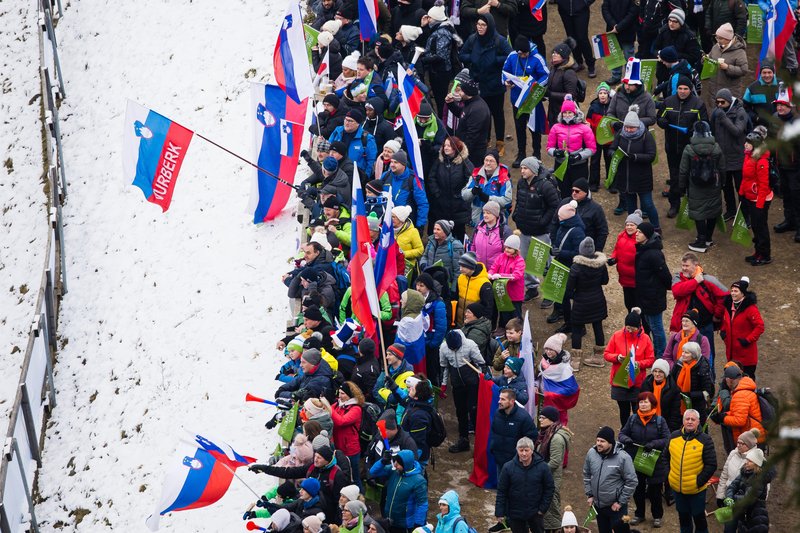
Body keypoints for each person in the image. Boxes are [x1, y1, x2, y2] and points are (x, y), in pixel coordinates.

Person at [459, 13, 513, 155]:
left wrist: (496, 59)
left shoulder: (499, 40)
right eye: (478, 24)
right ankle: (486, 139)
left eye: (483, 25)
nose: (480, 27)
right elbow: (462, 54)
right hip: (479, 84)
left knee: (498, 114)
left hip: (495, 84)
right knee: (484, 113)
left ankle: (500, 142)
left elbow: (511, 56)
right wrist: (472, 57)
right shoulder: (472, 39)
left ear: (489, 26)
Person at [657, 76, 709, 218]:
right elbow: (659, 117)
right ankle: (674, 205)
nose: (682, 91)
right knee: (674, 177)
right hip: (672, 147)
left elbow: (704, 123)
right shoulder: (668, 101)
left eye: (685, 89)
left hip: (691, 149)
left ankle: (691, 206)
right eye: (680, 88)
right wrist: (663, 122)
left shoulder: (698, 104)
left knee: (691, 177)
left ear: (690, 89)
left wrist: (694, 130)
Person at [618, 391, 670, 528]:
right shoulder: (633, 419)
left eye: (646, 402)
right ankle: (639, 514)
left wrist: (653, 444)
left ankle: (657, 516)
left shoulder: (660, 421)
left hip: (654, 462)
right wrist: (627, 440)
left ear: (652, 404)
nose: (643, 404)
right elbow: (622, 434)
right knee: (638, 489)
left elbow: (667, 439)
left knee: (655, 491)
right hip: (636, 460)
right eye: (641, 402)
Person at [512, 157, 560, 300]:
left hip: (541, 232)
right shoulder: (521, 183)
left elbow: (554, 205)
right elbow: (519, 201)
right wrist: (516, 215)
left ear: (533, 170)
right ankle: (532, 288)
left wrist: (543, 221)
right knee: (524, 262)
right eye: (521, 168)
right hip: (524, 230)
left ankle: (550, 294)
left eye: (525, 168)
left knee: (546, 264)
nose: (522, 171)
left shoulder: (545, 186)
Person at [663, 409, 717, 533]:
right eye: (687, 419)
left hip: (696, 490)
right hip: (678, 489)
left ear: (698, 422)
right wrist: (669, 475)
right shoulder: (673, 436)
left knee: (700, 521)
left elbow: (711, 464)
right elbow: (664, 457)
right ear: (683, 421)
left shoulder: (705, 440)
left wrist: (698, 482)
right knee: (684, 519)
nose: (690, 422)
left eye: (693, 419)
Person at [609, 104, 659, 230]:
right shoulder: (620, 133)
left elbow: (651, 156)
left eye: (632, 128)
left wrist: (635, 157)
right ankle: (632, 229)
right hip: (625, 177)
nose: (629, 130)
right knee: (631, 205)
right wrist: (613, 154)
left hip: (642, 177)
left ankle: (656, 228)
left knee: (648, 204)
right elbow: (612, 148)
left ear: (637, 126)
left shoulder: (646, 136)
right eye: (627, 127)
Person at [604, 307, 656, 426]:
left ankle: (637, 432)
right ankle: (625, 432)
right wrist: (617, 357)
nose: (630, 331)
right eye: (628, 328)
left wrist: (638, 364)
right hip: (620, 381)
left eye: (633, 328)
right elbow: (606, 354)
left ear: (639, 327)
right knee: (624, 411)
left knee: (638, 411)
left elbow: (651, 360)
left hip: (637, 382)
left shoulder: (646, 339)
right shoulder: (617, 336)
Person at [582, 426, 638, 533]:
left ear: (610, 443)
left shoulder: (623, 458)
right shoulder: (591, 453)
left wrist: (620, 502)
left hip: (616, 508)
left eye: (602, 441)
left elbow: (632, 481)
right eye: (597, 440)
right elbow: (587, 474)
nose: (598, 443)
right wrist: (590, 494)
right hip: (598, 506)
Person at [504, 37, 549, 166]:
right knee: (519, 126)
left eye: (526, 53)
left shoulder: (537, 58)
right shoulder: (512, 56)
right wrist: (506, 81)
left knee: (534, 127)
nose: (524, 55)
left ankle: (537, 153)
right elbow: (505, 71)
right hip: (517, 99)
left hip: (532, 98)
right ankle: (521, 153)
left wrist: (535, 86)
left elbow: (546, 75)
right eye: (521, 53)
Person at [494, 437, 555, 533]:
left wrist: (542, 509)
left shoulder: (543, 467)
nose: (524, 453)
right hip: (515, 512)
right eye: (521, 450)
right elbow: (502, 491)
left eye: (526, 450)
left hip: (536, 512)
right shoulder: (508, 467)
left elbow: (549, 488)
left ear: (532, 450)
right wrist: (499, 512)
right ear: (517, 450)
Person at [439, 329, 485, 453]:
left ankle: (480, 442)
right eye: (451, 349)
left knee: (474, 409)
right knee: (460, 412)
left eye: (456, 348)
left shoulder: (470, 345)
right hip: (457, 384)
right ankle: (463, 440)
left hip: (472, 383)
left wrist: (484, 378)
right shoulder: (443, 348)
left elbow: (481, 363)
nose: (454, 351)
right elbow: (445, 367)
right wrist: (443, 384)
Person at [564, 236, 608, 365]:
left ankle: (575, 361)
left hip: (581, 302)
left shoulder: (576, 267)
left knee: (577, 329)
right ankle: (599, 358)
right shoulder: (601, 265)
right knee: (598, 327)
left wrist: (574, 296)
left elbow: (569, 289)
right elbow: (605, 281)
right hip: (598, 299)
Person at [709, 89, 748, 222]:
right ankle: (731, 210)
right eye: (717, 102)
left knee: (741, 188)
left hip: (737, 158)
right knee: (726, 188)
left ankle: (744, 215)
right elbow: (712, 132)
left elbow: (737, 131)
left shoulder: (740, 112)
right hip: (722, 158)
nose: (719, 105)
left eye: (722, 102)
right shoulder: (717, 112)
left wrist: (723, 118)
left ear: (729, 101)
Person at [546, 95, 597, 198]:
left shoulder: (584, 128)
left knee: (580, 193)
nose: (567, 115)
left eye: (570, 112)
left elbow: (592, 148)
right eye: (565, 112)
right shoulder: (556, 128)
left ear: (575, 113)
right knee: (564, 192)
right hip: (561, 165)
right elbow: (549, 147)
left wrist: (579, 156)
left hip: (579, 166)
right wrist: (555, 152)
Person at [545, 200, 586, 327]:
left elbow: (578, 253)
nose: (558, 218)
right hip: (560, 264)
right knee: (557, 291)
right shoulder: (564, 225)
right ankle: (559, 310)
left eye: (560, 216)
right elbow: (558, 241)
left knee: (565, 295)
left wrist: (560, 253)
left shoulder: (577, 232)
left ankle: (569, 320)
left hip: (569, 267)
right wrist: (554, 249)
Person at [634, 222, 671, 359]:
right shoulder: (643, 249)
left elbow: (666, 276)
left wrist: (660, 288)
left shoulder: (653, 254)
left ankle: (661, 355)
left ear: (647, 236)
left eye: (640, 232)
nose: (636, 234)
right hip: (646, 295)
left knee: (656, 328)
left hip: (653, 296)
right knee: (650, 324)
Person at [368, 449, 428, 533]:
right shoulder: (394, 471)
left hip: (405, 525)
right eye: (395, 461)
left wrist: (418, 524)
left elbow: (422, 504)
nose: (395, 465)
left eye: (398, 463)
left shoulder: (419, 481)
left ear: (406, 465)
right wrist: (383, 461)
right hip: (389, 520)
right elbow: (373, 472)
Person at [709, 364, 766, 453]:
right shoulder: (744, 388)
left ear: (729, 380)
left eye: (725, 379)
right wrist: (724, 415)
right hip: (753, 435)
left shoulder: (740, 395)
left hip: (750, 440)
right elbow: (738, 412)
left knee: (751, 465)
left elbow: (740, 420)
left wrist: (722, 418)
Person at [427, 136, 474, 242]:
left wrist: (461, 195)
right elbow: (432, 178)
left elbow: (470, 180)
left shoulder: (465, 163)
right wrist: (437, 193)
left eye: (449, 145)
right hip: (441, 206)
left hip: (459, 207)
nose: (446, 148)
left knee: (459, 235)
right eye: (445, 145)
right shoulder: (439, 161)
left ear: (455, 147)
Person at [417, 5, 460, 116]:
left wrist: (423, 60)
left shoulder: (443, 33)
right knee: (438, 98)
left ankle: (442, 119)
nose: (428, 19)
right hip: (436, 71)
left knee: (441, 100)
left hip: (441, 73)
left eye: (430, 17)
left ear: (436, 19)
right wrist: (424, 27)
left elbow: (440, 56)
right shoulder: (436, 29)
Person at [535, 406, 573, 531]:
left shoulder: (556, 438)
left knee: (551, 508)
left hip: (550, 479)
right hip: (545, 477)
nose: (540, 419)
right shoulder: (546, 433)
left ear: (551, 420)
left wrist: (538, 471)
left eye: (543, 417)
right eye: (540, 417)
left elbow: (555, 462)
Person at [719, 276, 764, 379]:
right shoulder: (728, 306)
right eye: (732, 290)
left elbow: (760, 326)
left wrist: (748, 340)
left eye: (736, 291)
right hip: (731, 354)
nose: (733, 293)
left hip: (746, 356)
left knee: (746, 381)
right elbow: (725, 321)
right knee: (731, 381)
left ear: (743, 293)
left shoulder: (750, 309)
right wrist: (723, 331)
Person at [740, 127, 773, 265]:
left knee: (760, 227)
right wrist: (742, 192)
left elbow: (763, 185)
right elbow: (746, 178)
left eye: (748, 143)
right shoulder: (749, 156)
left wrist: (759, 204)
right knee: (755, 226)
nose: (745, 144)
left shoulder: (761, 161)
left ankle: (765, 255)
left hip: (760, 199)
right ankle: (758, 251)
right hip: (751, 197)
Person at [771, 88, 800, 242]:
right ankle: (789, 221)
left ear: (791, 106)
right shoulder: (776, 118)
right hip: (781, 164)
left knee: (797, 196)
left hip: (795, 166)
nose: (780, 108)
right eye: (778, 105)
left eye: (783, 105)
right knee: (786, 194)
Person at [490, 388, 538, 481]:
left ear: (512, 401)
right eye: (500, 398)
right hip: (499, 459)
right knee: (501, 487)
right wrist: (493, 447)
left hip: (515, 463)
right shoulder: (497, 413)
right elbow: (494, 432)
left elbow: (532, 437)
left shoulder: (523, 417)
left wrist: (521, 456)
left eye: (503, 399)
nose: (499, 401)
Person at [447, 78, 492, 168]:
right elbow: (462, 115)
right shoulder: (469, 103)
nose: (459, 93)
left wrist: (462, 153)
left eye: (461, 91)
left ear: (468, 93)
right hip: (465, 147)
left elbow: (472, 136)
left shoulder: (478, 110)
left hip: (473, 153)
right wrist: (450, 103)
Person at [378, 150, 429, 230]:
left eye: (396, 162)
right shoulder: (386, 176)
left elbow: (422, 204)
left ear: (403, 164)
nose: (392, 165)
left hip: (405, 224)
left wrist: (420, 225)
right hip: (386, 222)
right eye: (391, 162)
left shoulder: (413, 180)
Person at [704, 24, 748, 116]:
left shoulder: (739, 52)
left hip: (730, 91)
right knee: (714, 116)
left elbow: (743, 70)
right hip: (714, 90)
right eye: (717, 38)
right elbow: (710, 60)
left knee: (729, 117)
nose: (718, 40)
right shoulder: (716, 47)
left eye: (720, 38)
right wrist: (705, 59)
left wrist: (727, 67)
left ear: (728, 39)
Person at [725, 447, 772, 532]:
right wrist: (729, 497)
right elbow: (732, 486)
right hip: (743, 513)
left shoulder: (759, 480)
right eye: (747, 459)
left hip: (755, 517)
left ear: (756, 464)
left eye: (750, 461)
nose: (746, 462)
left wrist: (732, 499)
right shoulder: (745, 472)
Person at [462, 151, 513, 227]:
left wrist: (488, 198)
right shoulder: (476, 175)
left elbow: (507, 201)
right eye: (486, 160)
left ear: (497, 163)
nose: (488, 163)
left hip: (496, 221)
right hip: (478, 220)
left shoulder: (504, 178)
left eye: (491, 161)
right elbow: (464, 196)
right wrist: (472, 191)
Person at [328, 108, 379, 181]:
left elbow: (371, 161)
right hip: (335, 174)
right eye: (346, 119)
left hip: (355, 178)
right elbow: (329, 148)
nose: (346, 123)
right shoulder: (337, 131)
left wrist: (365, 177)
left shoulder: (367, 138)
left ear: (358, 123)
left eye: (350, 121)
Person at [670, 341, 715, 425]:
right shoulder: (679, 364)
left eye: (686, 353)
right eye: (683, 351)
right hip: (679, 404)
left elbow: (707, 392)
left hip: (697, 406)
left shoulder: (702, 368)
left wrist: (688, 395)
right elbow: (671, 380)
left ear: (693, 355)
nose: (683, 354)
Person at [416, 273, 448, 385]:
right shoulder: (415, 300)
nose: (418, 288)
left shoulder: (438, 303)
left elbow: (441, 327)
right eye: (417, 285)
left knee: (432, 368)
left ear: (428, 287)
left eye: (422, 286)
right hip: (419, 341)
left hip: (431, 343)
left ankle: (435, 388)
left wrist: (433, 343)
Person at [652, 9, 703, 79]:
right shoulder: (664, 30)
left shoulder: (689, 36)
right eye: (670, 20)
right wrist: (659, 54)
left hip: (680, 72)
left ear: (681, 22)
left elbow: (694, 56)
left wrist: (672, 57)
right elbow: (655, 48)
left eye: (675, 21)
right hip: (663, 70)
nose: (671, 24)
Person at [716, 428, 761, 507]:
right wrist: (720, 496)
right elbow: (724, 475)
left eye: (742, 443)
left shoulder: (757, 459)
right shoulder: (733, 453)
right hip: (729, 497)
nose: (738, 445)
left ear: (749, 445)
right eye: (738, 442)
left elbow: (763, 486)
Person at [332, 382, 364, 489]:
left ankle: (360, 499)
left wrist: (329, 409)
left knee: (354, 478)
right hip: (339, 447)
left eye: (343, 394)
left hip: (350, 450)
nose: (340, 396)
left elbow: (341, 421)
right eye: (339, 393)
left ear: (351, 395)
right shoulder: (338, 405)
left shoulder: (356, 409)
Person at [488, 234, 526, 324]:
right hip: (503, 292)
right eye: (506, 247)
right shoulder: (501, 257)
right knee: (504, 312)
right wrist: (490, 273)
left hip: (515, 294)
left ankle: (518, 330)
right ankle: (504, 328)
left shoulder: (520, 260)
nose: (506, 250)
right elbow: (494, 267)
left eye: (510, 248)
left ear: (516, 249)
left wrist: (500, 275)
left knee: (515, 314)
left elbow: (516, 275)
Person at [608, 210, 641, 313]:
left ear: (637, 227)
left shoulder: (640, 240)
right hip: (624, 278)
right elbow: (616, 250)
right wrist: (614, 258)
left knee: (638, 305)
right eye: (627, 225)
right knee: (628, 303)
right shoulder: (621, 235)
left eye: (632, 225)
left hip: (636, 280)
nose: (629, 227)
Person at [419, 220, 465, 293]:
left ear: (445, 231)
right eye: (434, 229)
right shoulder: (431, 242)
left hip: (445, 285)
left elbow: (458, 270)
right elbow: (424, 256)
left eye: (438, 229)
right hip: (430, 281)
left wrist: (453, 289)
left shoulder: (455, 245)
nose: (435, 231)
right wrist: (423, 264)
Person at [600, 0, 637, 84]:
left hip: (627, 31)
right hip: (612, 30)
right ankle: (616, 76)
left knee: (629, 56)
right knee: (614, 54)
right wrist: (613, 24)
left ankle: (631, 78)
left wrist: (619, 27)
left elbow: (632, 13)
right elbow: (605, 9)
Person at [546, 39, 579, 133]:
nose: (553, 55)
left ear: (564, 56)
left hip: (565, 114)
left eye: (557, 53)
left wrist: (550, 94)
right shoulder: (554, 68)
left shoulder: (569, 73)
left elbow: (571, 96)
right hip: (553, 111)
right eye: (553, 52)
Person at [641, 359, 683, 432]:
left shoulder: (673, 388)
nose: (657, 374)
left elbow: (675, 413)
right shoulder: (646, 384)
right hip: (647, 421)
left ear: (665, 373)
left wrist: (670, 430)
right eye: (655, 371)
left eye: (660, 372)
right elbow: (639, 404)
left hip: (665, 424)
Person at [555, 0, 595, 77]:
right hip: (565, 10)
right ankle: (578, 61)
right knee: (571, 38)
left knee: (582, 38)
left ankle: (590, 64)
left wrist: (585, 3)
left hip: (581, 11)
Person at [470, 200, 513, 271]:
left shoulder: (505, 230)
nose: (485, 215)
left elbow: (509, 253)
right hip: (479, 270)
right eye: (484, 213)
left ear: (495, 215)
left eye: (488, 213)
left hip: (497, 272)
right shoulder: (478, 227)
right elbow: (473, 246)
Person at [454, 253, 493, 329]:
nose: (460, 269)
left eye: (463, 266)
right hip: (459, 323)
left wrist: (485, 327)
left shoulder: (485, 284)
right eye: (460, 266)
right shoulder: (460, 278)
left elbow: (488, 308)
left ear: (471, 266)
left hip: (475, 326)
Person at [586, 83, 614, 190]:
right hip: (596, 138)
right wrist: (590, 125)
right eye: (600, 93)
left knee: (610, 161)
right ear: (598, 95)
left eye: (605, 93)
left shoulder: (613, 105)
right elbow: (588, 120)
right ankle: (593, 183)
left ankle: (611, 183)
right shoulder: (593, 106)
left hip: (609, 139)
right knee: (594, 161)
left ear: (608, 94)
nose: (602, 95)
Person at [742, 61, 782, 127]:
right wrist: (756, 118)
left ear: (773, 73)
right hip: (759, 125)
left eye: (769, 72)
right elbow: (745, 108)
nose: (767, 75)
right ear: (760, 73)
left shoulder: (781, 85)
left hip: (779, 125)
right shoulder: (752, 88)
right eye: (764, 73)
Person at [392, 205, 424, 278]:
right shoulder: (388, 231)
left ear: (401, 219)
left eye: (394, 217)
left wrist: (403, 254)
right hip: (391, 266)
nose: (391, 219)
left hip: (407, 268)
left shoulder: (413, 232)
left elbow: (420, 250)